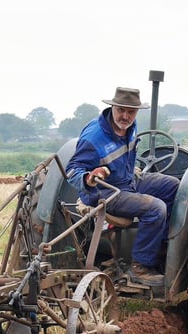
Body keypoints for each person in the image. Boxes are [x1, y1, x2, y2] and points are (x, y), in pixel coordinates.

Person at [66, 87, 180, 289]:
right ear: (112, 108)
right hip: (105, 192)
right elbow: (72, 171)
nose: (125, 116)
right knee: (156, 208)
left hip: (128, 181)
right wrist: (90, 178)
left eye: (131, 111)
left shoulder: (131, 127)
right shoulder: (94, 137)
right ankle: (140, 267)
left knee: (173, 186)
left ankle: (160, 246)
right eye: (121, 110)